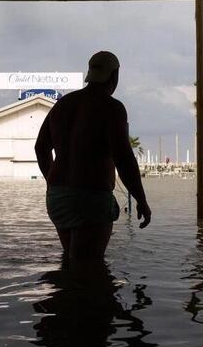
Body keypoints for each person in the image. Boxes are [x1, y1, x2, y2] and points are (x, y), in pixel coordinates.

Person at [35, 51, 151, 259]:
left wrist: (52, 181)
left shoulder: (63, 105)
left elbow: (40, 147)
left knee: (72, 262)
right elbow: (124, 159)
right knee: (90, 270)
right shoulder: (111, 107)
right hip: (91, 197)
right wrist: (141, 199)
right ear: (114, 76)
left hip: (57, 197)